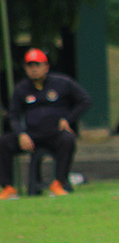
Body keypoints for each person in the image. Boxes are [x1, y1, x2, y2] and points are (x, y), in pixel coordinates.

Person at [0, 48, 92, 199]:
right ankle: (8, 187)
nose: (34, 69)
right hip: (32, 136)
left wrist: (68, 119)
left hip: (54, 134)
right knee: (4, 143)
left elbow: (85, 100)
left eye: (37, 65)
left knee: (68, 139)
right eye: (30, 66)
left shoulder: (62, 83)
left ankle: (58, 183)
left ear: (46, 67)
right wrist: (21, 134)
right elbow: (13, 115)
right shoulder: (21, 89)